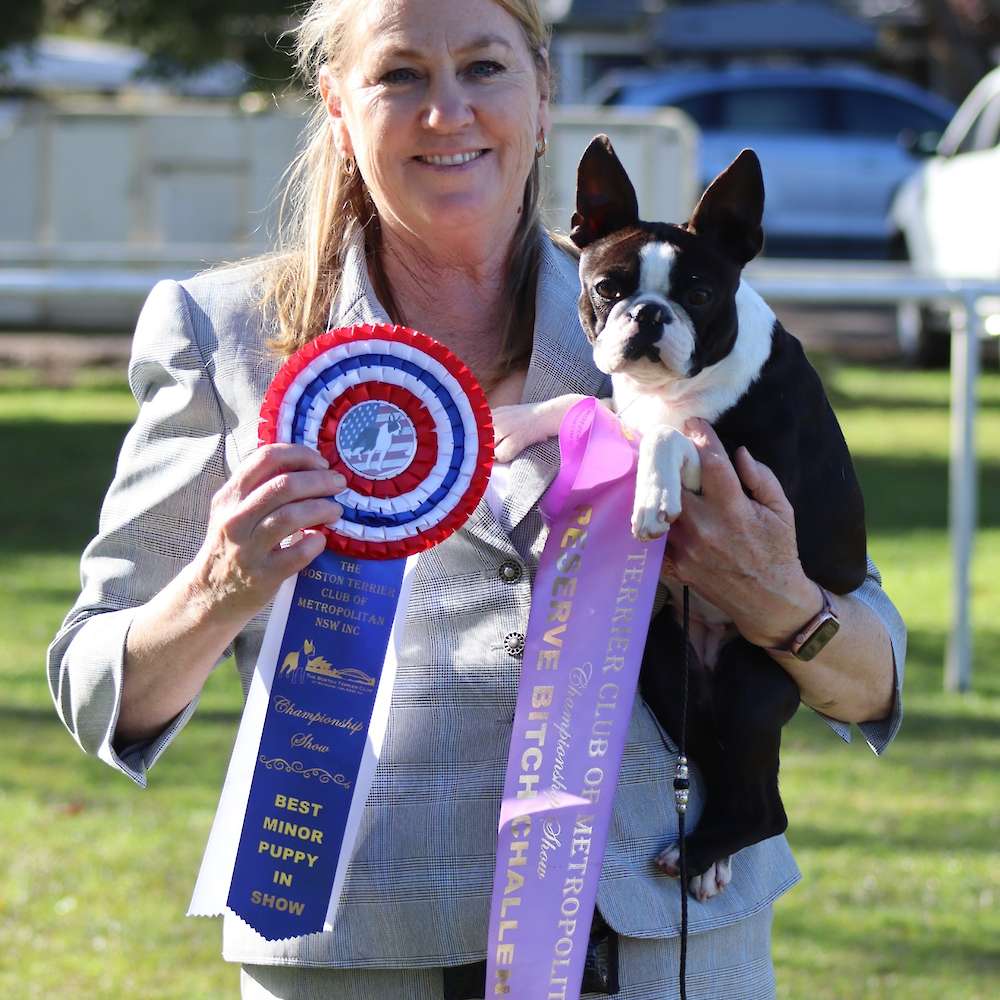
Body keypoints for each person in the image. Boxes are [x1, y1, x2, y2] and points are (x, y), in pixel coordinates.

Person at [47, 0, 906, 997]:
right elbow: (94, 688)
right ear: (336, 102)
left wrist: (777, 601)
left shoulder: (686, 335)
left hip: (664, 934)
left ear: (542, 98)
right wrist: (219, 584)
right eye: (399, 74)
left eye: (484, 69)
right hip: (355, 944)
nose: (447, 112)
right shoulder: (221, 331)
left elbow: (875, 679)